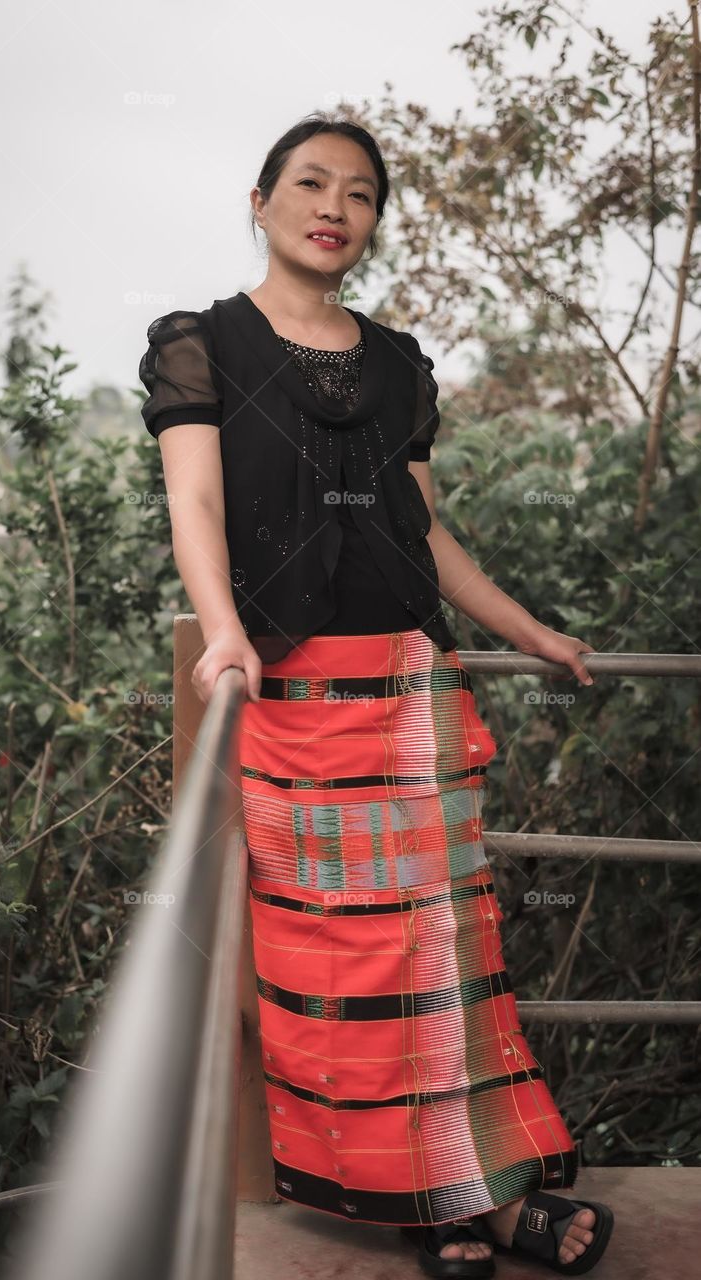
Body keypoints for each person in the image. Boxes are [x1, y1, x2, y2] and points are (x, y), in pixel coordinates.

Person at [138, 113, 614, 1278]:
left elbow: (424, 530)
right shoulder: (200, 343)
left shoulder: (396, 360)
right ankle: (426, 1202)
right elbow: (193, 506)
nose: (333, 206)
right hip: (292, 695)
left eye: (358, 193)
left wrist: (527, 629)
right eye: (309, 183)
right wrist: (224, 636)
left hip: (407, 681)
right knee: (338, 967)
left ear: (371, 223)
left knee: (438, 954)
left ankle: (476, 1197)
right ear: (259, 202)